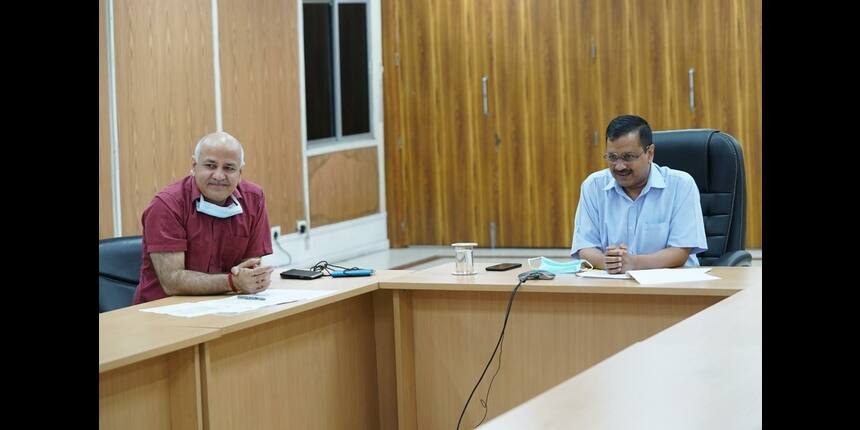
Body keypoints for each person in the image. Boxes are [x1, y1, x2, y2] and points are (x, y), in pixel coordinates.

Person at [133, 131, 274, 304]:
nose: (219, 176)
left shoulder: (254, 199)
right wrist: (232, 281)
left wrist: (253, 277)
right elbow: (172, 281)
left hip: (226, 304)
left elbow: (250, 265)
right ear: (194, 166)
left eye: (229, 168)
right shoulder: (166, 206)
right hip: (163, 311)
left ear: (240, 173)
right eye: (210, 165)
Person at [571, 115, 707, 274]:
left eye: (628, 157)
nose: (619, 166)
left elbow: (680, 252)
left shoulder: (681, 185)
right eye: (612, 157)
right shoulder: (593, 186)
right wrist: (609, 262)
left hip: (672, 287)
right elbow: (585, 247)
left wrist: (633, 263)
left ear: (650, 153)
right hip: (614, 285)